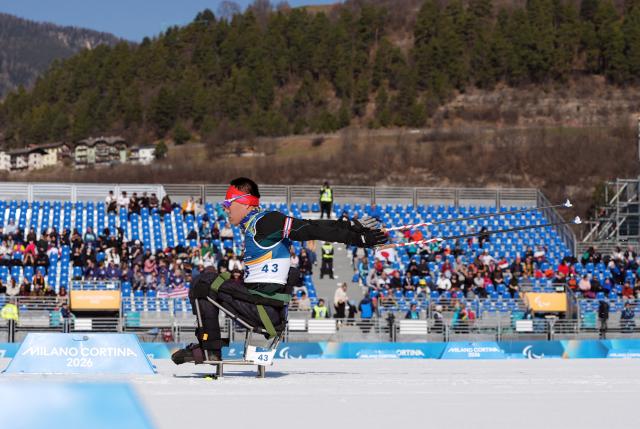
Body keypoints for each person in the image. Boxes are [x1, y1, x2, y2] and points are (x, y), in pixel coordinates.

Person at [172, 177, 386, 364]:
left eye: (228, 203)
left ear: (244, 203)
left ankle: (209, 350)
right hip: (260, 304)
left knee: (203, 282)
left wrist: (354, 237)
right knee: (210, 278)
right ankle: (209, 348)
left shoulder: (265, 221)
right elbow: (308, 224)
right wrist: (348, 226)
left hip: (263, 309)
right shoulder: (256, 226)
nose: (225, 208)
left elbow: (307, 229)